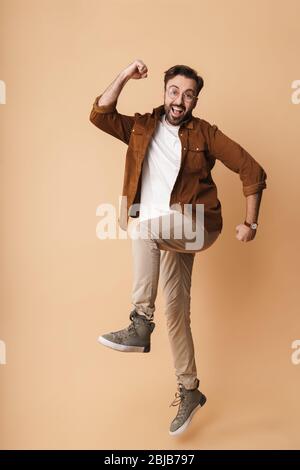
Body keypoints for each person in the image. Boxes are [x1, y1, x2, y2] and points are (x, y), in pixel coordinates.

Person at [89, 60, 267, 436]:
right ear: (164, 92)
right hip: (167, 235)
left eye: (188, 95)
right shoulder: (140, 128)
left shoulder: (205, 134)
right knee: (175, 312)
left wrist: (250, 222)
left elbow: (252, 169)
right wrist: (124, 75)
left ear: (195, 100)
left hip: (197, 223)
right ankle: (190, 390)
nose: (180, 100)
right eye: (174, 91)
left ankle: (139, 322)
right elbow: (100, 114)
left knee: (142, 230)